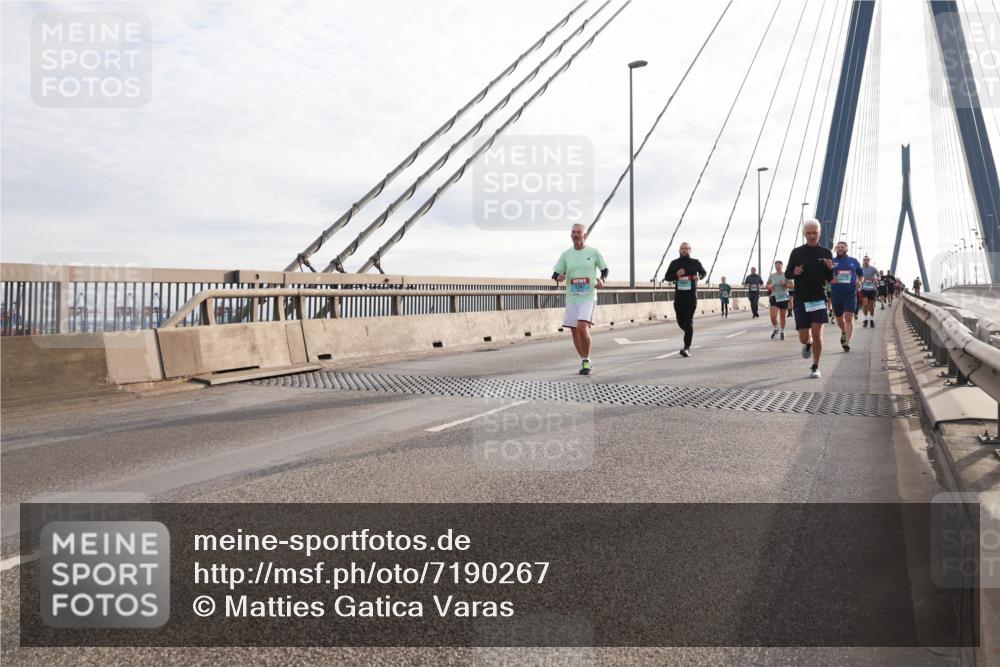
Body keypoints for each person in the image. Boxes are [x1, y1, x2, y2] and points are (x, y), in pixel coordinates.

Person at [552, 223, 608, 375]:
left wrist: (601, 280)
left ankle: (586, 359)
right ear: (571, 235)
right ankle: (584, 359)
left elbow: (605, 269)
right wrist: (560, 277)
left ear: (585, 235)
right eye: (573, 232)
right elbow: (555, 274)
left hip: (588, 296)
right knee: (574, 330)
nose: (575, 234)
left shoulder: (593, 252)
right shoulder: (566, 254)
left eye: (579, 232)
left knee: (582, 327)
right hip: (572, 297)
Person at [785, 219, 834, 378]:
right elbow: (787, 273)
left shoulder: (826, 252)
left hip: (819, 298)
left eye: (815, 232)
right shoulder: (797, 252)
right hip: (801, 300)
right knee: (804, 337)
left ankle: (815, 366)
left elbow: (829, 278)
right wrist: (795, 272)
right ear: (804, 234)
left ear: (819, 233)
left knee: (817, 332)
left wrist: (830, 269)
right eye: (809, 233)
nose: (812, 236)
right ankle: (808, 344)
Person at [664, 242, 707, 357]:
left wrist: (699, 277)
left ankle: (686, 348)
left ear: (690, 250)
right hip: (679, 297)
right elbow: (667, 277)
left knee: (687, 322)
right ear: (679, 250)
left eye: (686, 249)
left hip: (691, 297)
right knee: (680, 321)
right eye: (682, 249)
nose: (684, 250)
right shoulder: (674, 263)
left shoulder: (695, 262)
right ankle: (689, 332)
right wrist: (677, 274)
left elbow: (703, 272)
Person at [830, 241, 863, 352]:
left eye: (842, 247)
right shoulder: (832, 262)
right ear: (835, 249)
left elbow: (860, 274)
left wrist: (859, 282)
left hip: (850, 293)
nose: (840, 248)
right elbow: (825, 274)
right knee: (839, 318)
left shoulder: (853, 261)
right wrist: (830, 279)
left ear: (846, 249)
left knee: (849, 317)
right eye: (838, 247)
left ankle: (847, 342)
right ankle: (844, 332)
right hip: (836, 294)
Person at [766, 260, 790, 340]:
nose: (777, 267)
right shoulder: (772, 275)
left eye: (779, 265)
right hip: (774, 297)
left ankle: (782, 332)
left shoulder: (786, 275)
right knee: (773, 316)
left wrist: (784, 284)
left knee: (782, 317)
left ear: (782, 266)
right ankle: (776, 328)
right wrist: (769, 286)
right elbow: (767, 284)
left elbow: (792, 286)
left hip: (784, 297)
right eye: (776, 265)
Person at [859, 256, 879, 328]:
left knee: (871, 305)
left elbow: (879, 276)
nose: (866, 261)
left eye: (867, 260)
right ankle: (865, 319)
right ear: (863, 261)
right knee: (865, 303)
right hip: (864, 288)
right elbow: (856, 277)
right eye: (864, 260)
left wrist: (875, 278)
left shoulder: (873, 268)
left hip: (872, 289)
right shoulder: (860, 269)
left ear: (869, 261)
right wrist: (859, 281)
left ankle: (871, 319)